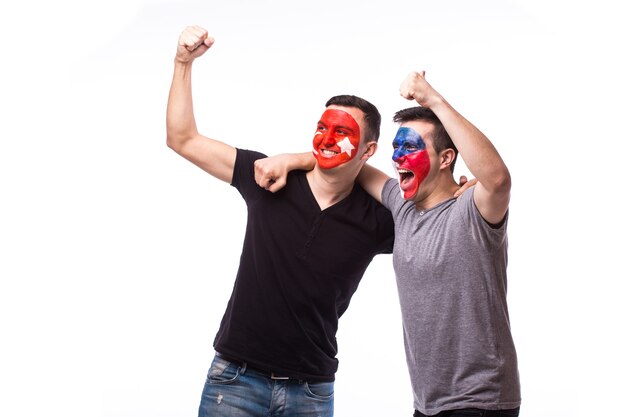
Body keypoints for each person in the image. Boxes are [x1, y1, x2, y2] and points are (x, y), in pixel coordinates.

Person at [166, 25, 394, 417]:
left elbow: (432, 218)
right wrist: (182, 63)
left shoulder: (377, 220)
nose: (325, 139)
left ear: (368, 149)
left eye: (341, 132)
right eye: (321, 128)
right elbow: (182, 139)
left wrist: (463, 194)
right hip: (235, 379)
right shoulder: (267, 178)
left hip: (312, 390)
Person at [264, 71, 521, 416]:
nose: (398, 157)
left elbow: (498, 178)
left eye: (410, 147)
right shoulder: (401, 205)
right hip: (428, 403)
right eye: (395, 148)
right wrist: (291, 159)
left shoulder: (472, 210)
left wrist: (434, 101)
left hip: (481, 399)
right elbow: (349, 159)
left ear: (446, 159)